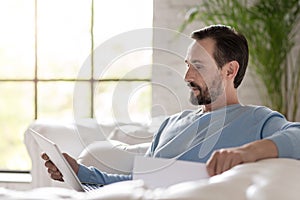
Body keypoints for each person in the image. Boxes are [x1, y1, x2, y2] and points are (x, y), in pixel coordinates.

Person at [42, 25, 300, 186]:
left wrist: (247, 153)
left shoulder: (257, 120)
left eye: (198, 67)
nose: (187, 76)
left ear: (230, 70)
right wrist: (79, 172)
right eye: (187, 65)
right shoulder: (170, 125)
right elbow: (140, 183)